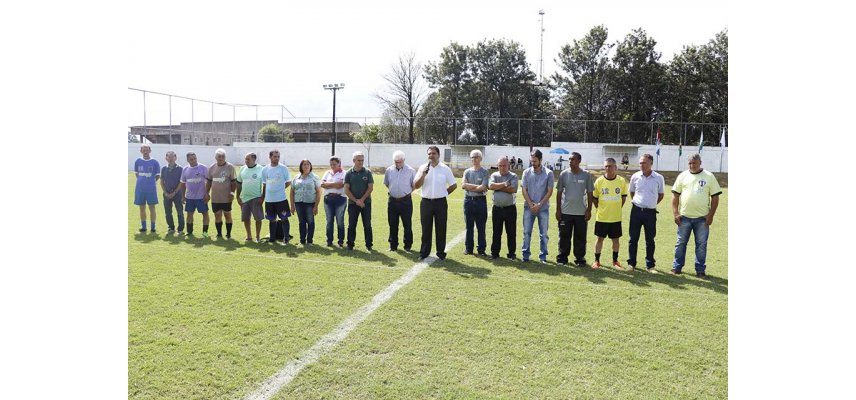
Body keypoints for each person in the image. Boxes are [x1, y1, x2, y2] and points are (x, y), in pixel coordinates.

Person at [670, 154, 722, 278]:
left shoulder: (709, 176)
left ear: (700, 163)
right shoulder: (682, 176)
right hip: (684, 218)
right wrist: (676, 213)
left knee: (701, 245)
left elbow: (715, 197)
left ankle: (700, 270)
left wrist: (711, 215)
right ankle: (676, 268)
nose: (692, 165)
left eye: (695, 163)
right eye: (690, 163)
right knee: (680, 243)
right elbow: (675, 195)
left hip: (702, 219)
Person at [414, 146, 457, 260]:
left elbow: (454, 185)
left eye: (433, 153)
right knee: (426, 229)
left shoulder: (445, 169)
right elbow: (416, 185)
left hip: (440, 203)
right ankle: (424, 253)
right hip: (426, 203)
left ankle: (441, 253)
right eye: (429, 154)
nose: (431, 155)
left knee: (441, 228)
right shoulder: (423, 168)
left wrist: (444, 193)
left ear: (438, 155)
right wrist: (423, 174)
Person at [627, 153, 665, 272]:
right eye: (640, 163)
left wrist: (651, 204)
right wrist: (640, 203)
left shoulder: (659, 178)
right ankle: (631, 264)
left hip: (650, 213)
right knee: (633, 239)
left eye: (644, 163)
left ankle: (650, 265)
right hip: (636, 211)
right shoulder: (635, 176)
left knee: (650, 239)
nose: (642, 165)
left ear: (651, 163)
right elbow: (632, 192)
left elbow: (661, 195)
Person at [555, 152, 594, 267]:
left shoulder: (586, 175)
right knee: (564, 237)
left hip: (581, 213)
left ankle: (580, 259)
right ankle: (562, 258)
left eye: (573, 159)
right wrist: (558, 210)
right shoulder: (563, 174)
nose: (570, 161)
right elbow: (559, 192)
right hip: (565, 212)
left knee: (580, 237)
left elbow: (590, 193)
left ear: (579, 161)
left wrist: (589, 210)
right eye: (569, 159)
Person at [591, 158, 628, 270]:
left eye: (610, 166)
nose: (608, 168)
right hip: (602, 217)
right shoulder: (599, 181)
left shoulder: (621, 181)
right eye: (606, 166)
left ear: (615, 167)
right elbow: (595, 198)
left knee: (616, 240)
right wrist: (601, 208)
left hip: (615, 217)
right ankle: (597, 261)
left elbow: (623, 198)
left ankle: (615, 261)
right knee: (599, 239)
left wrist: (615, 208)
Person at [521, 149, 554, 263]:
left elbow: (549, 191)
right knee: (526, 232)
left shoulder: (549, 173)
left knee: (544, 234)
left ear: (540, 160)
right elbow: (524, 190)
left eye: (535, 161)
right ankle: (525, 255)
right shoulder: (526, 172)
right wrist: (531, 204)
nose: (532, 164)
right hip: (528, 207)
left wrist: (539, 204)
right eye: (531, 161)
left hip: (543, 208)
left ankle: (543, 257)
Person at [383, 151, 416, 252]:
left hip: (405, 201)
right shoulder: (389, 170)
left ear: (404, 160)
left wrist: (404, 193)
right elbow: (387, 183)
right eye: (396, 162)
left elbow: (414, 185)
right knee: (392, 224)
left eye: (399, 162)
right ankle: (393, 245)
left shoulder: (411, 171)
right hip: (392, 201)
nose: (397, 164)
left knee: (407, 224)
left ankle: (407, 246)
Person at [489, 157, 519, 260]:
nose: (502, 167)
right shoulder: (494, 175)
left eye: (504, 165)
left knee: (511, 232)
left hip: (510, 208)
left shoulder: (513, 176)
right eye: (500, 165)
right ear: (497, 166)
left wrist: (498, 187)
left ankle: (511, 253)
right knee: (496, 232)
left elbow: (513, 189)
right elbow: (491, 186)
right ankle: (495, 253)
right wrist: (505, 184)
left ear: (508, 166)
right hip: (497, 208)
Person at [461, 150, 489, 256]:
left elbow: (484, 187)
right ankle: (469, 248)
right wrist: (478, 188)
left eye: (476, 157)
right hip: (468, 201)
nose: (474, 159)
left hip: (480, 201)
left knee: (481, 226)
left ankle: (481, 250)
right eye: (472, 157)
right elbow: (463, 185)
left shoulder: (484, 172)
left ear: (480, 158)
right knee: (469, 226)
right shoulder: (467, 172)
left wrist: (470, 186)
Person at [344, 151, 374, 251]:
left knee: (367, 224)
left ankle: (369, 245)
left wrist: (362, 200)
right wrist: (356, 200)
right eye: (358, 160)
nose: (361, 162)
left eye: (362, 160)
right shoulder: (348, 173)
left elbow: (370, 188)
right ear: (353, 161)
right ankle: (350, 244)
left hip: (366, 203)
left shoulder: (367, 172)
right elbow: (346, 189)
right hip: (353, 204)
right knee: (352, 225)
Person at [261, 150, 291, 245]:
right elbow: (264, 184)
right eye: (275, 156)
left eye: (278, 156)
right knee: (272, 219)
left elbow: (288, 181)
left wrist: (280, 189)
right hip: (269, 200)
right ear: (270, 157)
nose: (277, 158)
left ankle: (286, 238)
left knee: (284, 218)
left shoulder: (283, 168)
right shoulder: (265, 169)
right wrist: (264, 196)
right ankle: (272, 238)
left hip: (281, 199)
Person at [290, 159, 322, 245]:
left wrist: (316, 206)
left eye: (308, 164)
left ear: (310, 166)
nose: (306, 166)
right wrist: (292, 206)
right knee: (302, 222)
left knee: (310, 222)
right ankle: (302, 240)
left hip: (310, 203)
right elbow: (292, 191)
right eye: (304, 164)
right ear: (301, 166)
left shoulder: (315, 177)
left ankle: (309, 241)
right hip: (299, 203)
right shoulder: (296, 178)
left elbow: (319, 192)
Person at [177, 152, 210, 238]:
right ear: (188, 160)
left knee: (205, 214)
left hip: (201, 197)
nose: (194, 160)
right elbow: (182, 183)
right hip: (190, 198)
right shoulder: (185, 169)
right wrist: (183, 196)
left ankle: (205, 233)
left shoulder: (203, 168)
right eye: (191, 159)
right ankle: (189, 232)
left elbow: (209, 182)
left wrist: (207, 194)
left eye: (195, 158)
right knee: (189, 214)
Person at [207, 148, 237, 239]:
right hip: (215, 197)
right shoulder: (212, 167)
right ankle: (219, 234)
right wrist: (207, 193)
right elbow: (209, 182)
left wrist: (232, 193)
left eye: (223, 156)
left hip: (226, 197)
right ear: (216, 157)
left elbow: (234, 182)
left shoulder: (230, 167)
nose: (221, 158)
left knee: (227, 215)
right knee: (217, 215)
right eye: (219, 156)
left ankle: (228, 234)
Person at [236, 152, 265, 242]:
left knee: (258, 218)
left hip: (256, 198)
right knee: (246, 218)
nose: (246, 161)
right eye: (245, 159)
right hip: (244, 198)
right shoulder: (242, 169)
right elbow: (239, 183)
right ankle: (249, 236)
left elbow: (265, 184)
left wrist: (262, 197)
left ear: (254, 159)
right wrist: (238, 197)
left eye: (248, 159)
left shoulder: (261, 169)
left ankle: (257, 236)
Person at [320, 156, 347, 247]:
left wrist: (328, 185)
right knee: (329, 221)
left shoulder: (344, 173)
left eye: (334, 164)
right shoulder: (327, 173)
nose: (332, 166)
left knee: (340, 221)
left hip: (340, 199)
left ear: (339, 163)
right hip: (328, 200)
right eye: (331, 164)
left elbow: (340, 185)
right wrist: (334, 185)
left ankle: (340, 241)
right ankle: (329, 241)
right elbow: (322, 184)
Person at [134, 144, 160, 233]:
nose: (145, 151)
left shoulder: (155, 162)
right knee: (142, 207)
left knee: (152, 207)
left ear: (150, 150)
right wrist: (142, 181)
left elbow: (157, 175)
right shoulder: (137, 161)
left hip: (151, 189)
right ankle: (144, 226)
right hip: (140, 188)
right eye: (143, 150)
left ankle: (153, 227)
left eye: (147, 150)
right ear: (141, 151)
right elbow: (137, 174)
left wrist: (150, 182)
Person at [160, 151, 185, 235]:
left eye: (172, 157)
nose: (170, 158)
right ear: (166, 158)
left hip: (177, 194)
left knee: (180, 212)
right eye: (169, 157)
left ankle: (180, 230)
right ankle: (171, 228)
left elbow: (181, 182)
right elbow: (161, 182)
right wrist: (165, 192)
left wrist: (174, 192)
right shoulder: (164, 168)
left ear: (175, 157)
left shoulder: (180, 168)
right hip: (166, 194)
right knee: (168, 212)